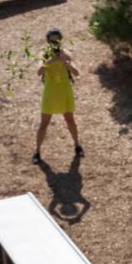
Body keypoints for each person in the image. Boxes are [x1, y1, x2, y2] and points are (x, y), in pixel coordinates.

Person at [33, 28, 83, 165]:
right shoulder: (44, 54)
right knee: (44, 123)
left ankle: (77, 145)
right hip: (50, 92)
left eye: (57, 39)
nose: (55, 43)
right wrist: (50, 60)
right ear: (48, 41)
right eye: (52, 40)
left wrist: (65, 62)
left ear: (61, 40)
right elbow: (39, 72)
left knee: (70, 120)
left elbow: (77, 73)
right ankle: (37, 151)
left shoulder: (66, 53)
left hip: (65, 91)